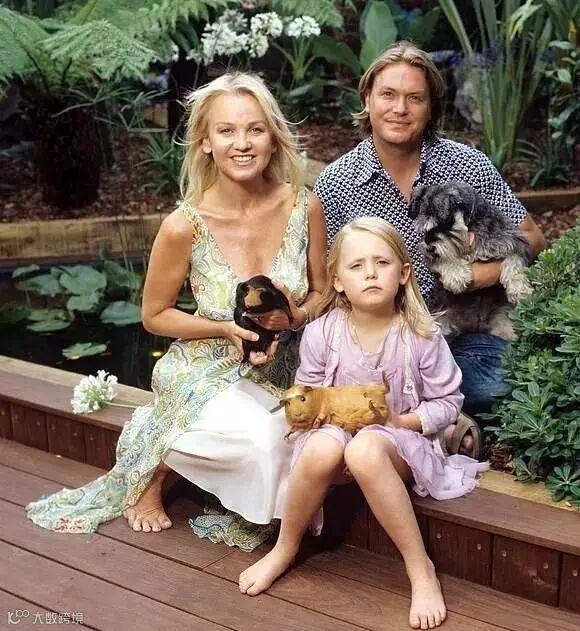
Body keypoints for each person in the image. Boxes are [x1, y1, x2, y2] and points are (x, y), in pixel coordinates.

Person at [26, 72, 327, 541]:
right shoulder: (183, 226)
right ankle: (159, 459)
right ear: (205, 142)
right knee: (266, 444)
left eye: (255, 129)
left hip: (290, 364)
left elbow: (324, 291)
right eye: (226, 131)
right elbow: (154, 316)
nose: (242, 144)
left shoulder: (304, 206)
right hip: (206, 369)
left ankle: (175, 450)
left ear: (273, 137)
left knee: (303, 444)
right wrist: (223, 329)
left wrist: (296, 317)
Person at [239, 217, 488, 630]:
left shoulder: (421, 335)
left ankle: (420, 567)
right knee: (325, 446)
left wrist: (404, 419)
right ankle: (285, 546)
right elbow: (308, 389)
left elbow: (449, 402)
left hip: (395, 443)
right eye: (357, 266)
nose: (370, 273)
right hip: (335, 438)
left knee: (365, 448)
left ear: (403, 274)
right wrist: (310, 411)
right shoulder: (321, 333)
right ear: (338, 281)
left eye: (382, 263)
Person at [312, 42, 547, 448]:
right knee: (379, 381)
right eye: (388, 95)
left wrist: (485, 273)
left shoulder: (467, 164)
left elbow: (534, 237)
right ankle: (440, 420)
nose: (399, 109)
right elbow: (327, 280)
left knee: (500, 383)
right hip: (381, 338)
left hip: (461, 329)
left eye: (415, 98)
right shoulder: (336, 184)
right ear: (367, 99)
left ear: (431, 106)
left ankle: (428, 414)